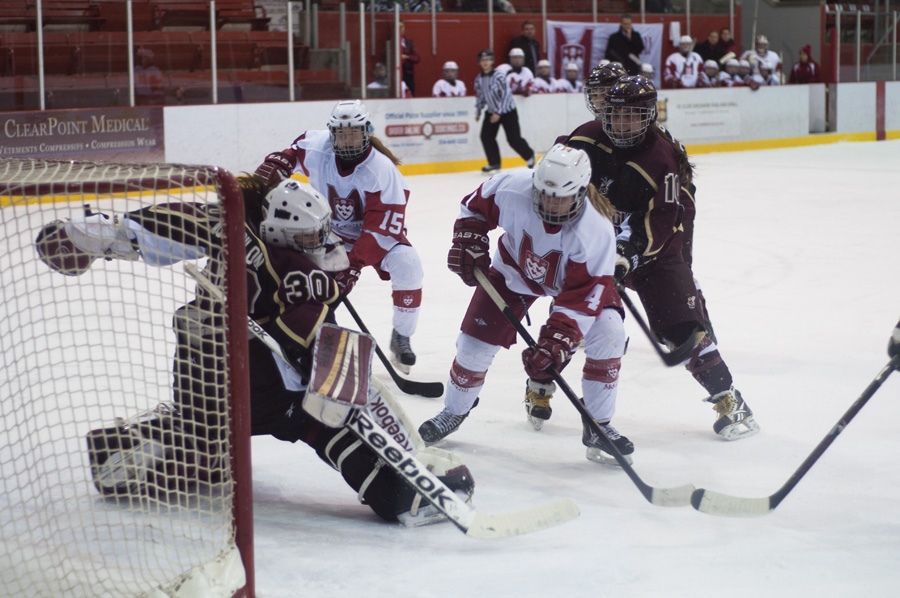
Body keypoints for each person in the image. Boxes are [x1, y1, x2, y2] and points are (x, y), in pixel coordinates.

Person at [34, 175, 474, 525]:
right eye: (309, 238)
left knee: (192, 443)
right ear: (283, 232)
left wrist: (92, 236)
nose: (318, 244)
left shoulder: (228, 223)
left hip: (202, 385)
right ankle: (405, 480)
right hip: (270, 393)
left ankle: (166, 441)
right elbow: (328, 366)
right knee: (338, 416)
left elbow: (155, 226)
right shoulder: (300, 273)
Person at [560, 75, 760, 441]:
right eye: (616, 115)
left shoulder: (661, 158)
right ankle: (540, 384)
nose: (622, 125)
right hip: (593, 242)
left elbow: (664, 219)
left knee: (681, 329)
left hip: (656, 251)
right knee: (573, 318)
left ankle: (728, 398)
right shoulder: (586, 137)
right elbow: (558, 171)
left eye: (632, 116)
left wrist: (629, 253)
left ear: (649, 116)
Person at [417, 144, 635, 464]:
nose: (549, 203)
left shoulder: (596, 230)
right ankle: (454, 411)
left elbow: (578, 300)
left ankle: (599, 425)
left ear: (580, 193)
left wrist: (556, 342)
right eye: (544, 194)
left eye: (559, 198)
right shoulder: (513, 187)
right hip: (513, 273)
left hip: (571, 285)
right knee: (472, 346)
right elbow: (473, 207)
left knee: (611, 331)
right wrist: (469, 239)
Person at [254, 100, 424, 374]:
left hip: (372, 237)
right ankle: (313, 339)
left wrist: (353, 265)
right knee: (315, 287)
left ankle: (401, 336)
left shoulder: (381, 170)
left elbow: (381, 227)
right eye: (342, 134)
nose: (348, 140)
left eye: (354, 133)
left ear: (367, 131)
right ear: (332, 134)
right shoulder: (319, 147)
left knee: (408, 263)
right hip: (327, 234)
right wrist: (280, 162)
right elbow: (294, 152)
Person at [473, 49, 536, 173]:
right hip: (491, 111)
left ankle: (529, 155)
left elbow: (506, 95)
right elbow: (480, 96)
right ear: (479, 62)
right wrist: (478, 111)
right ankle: (494, 162)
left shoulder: (499, 76)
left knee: (513, 139)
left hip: (507, 111)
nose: (485, 62)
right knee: (486, 136)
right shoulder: (479, 79)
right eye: (483, 60)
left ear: (492, 61)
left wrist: (499, 113)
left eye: (488, 60)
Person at [399, 20, 420, 96]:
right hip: (397, 76)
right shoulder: (391, 42)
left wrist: (406, 57)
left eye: (402, 26)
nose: (400, 29)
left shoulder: (409, 43)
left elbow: (417, 58)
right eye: (398, 27)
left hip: (408, 76)